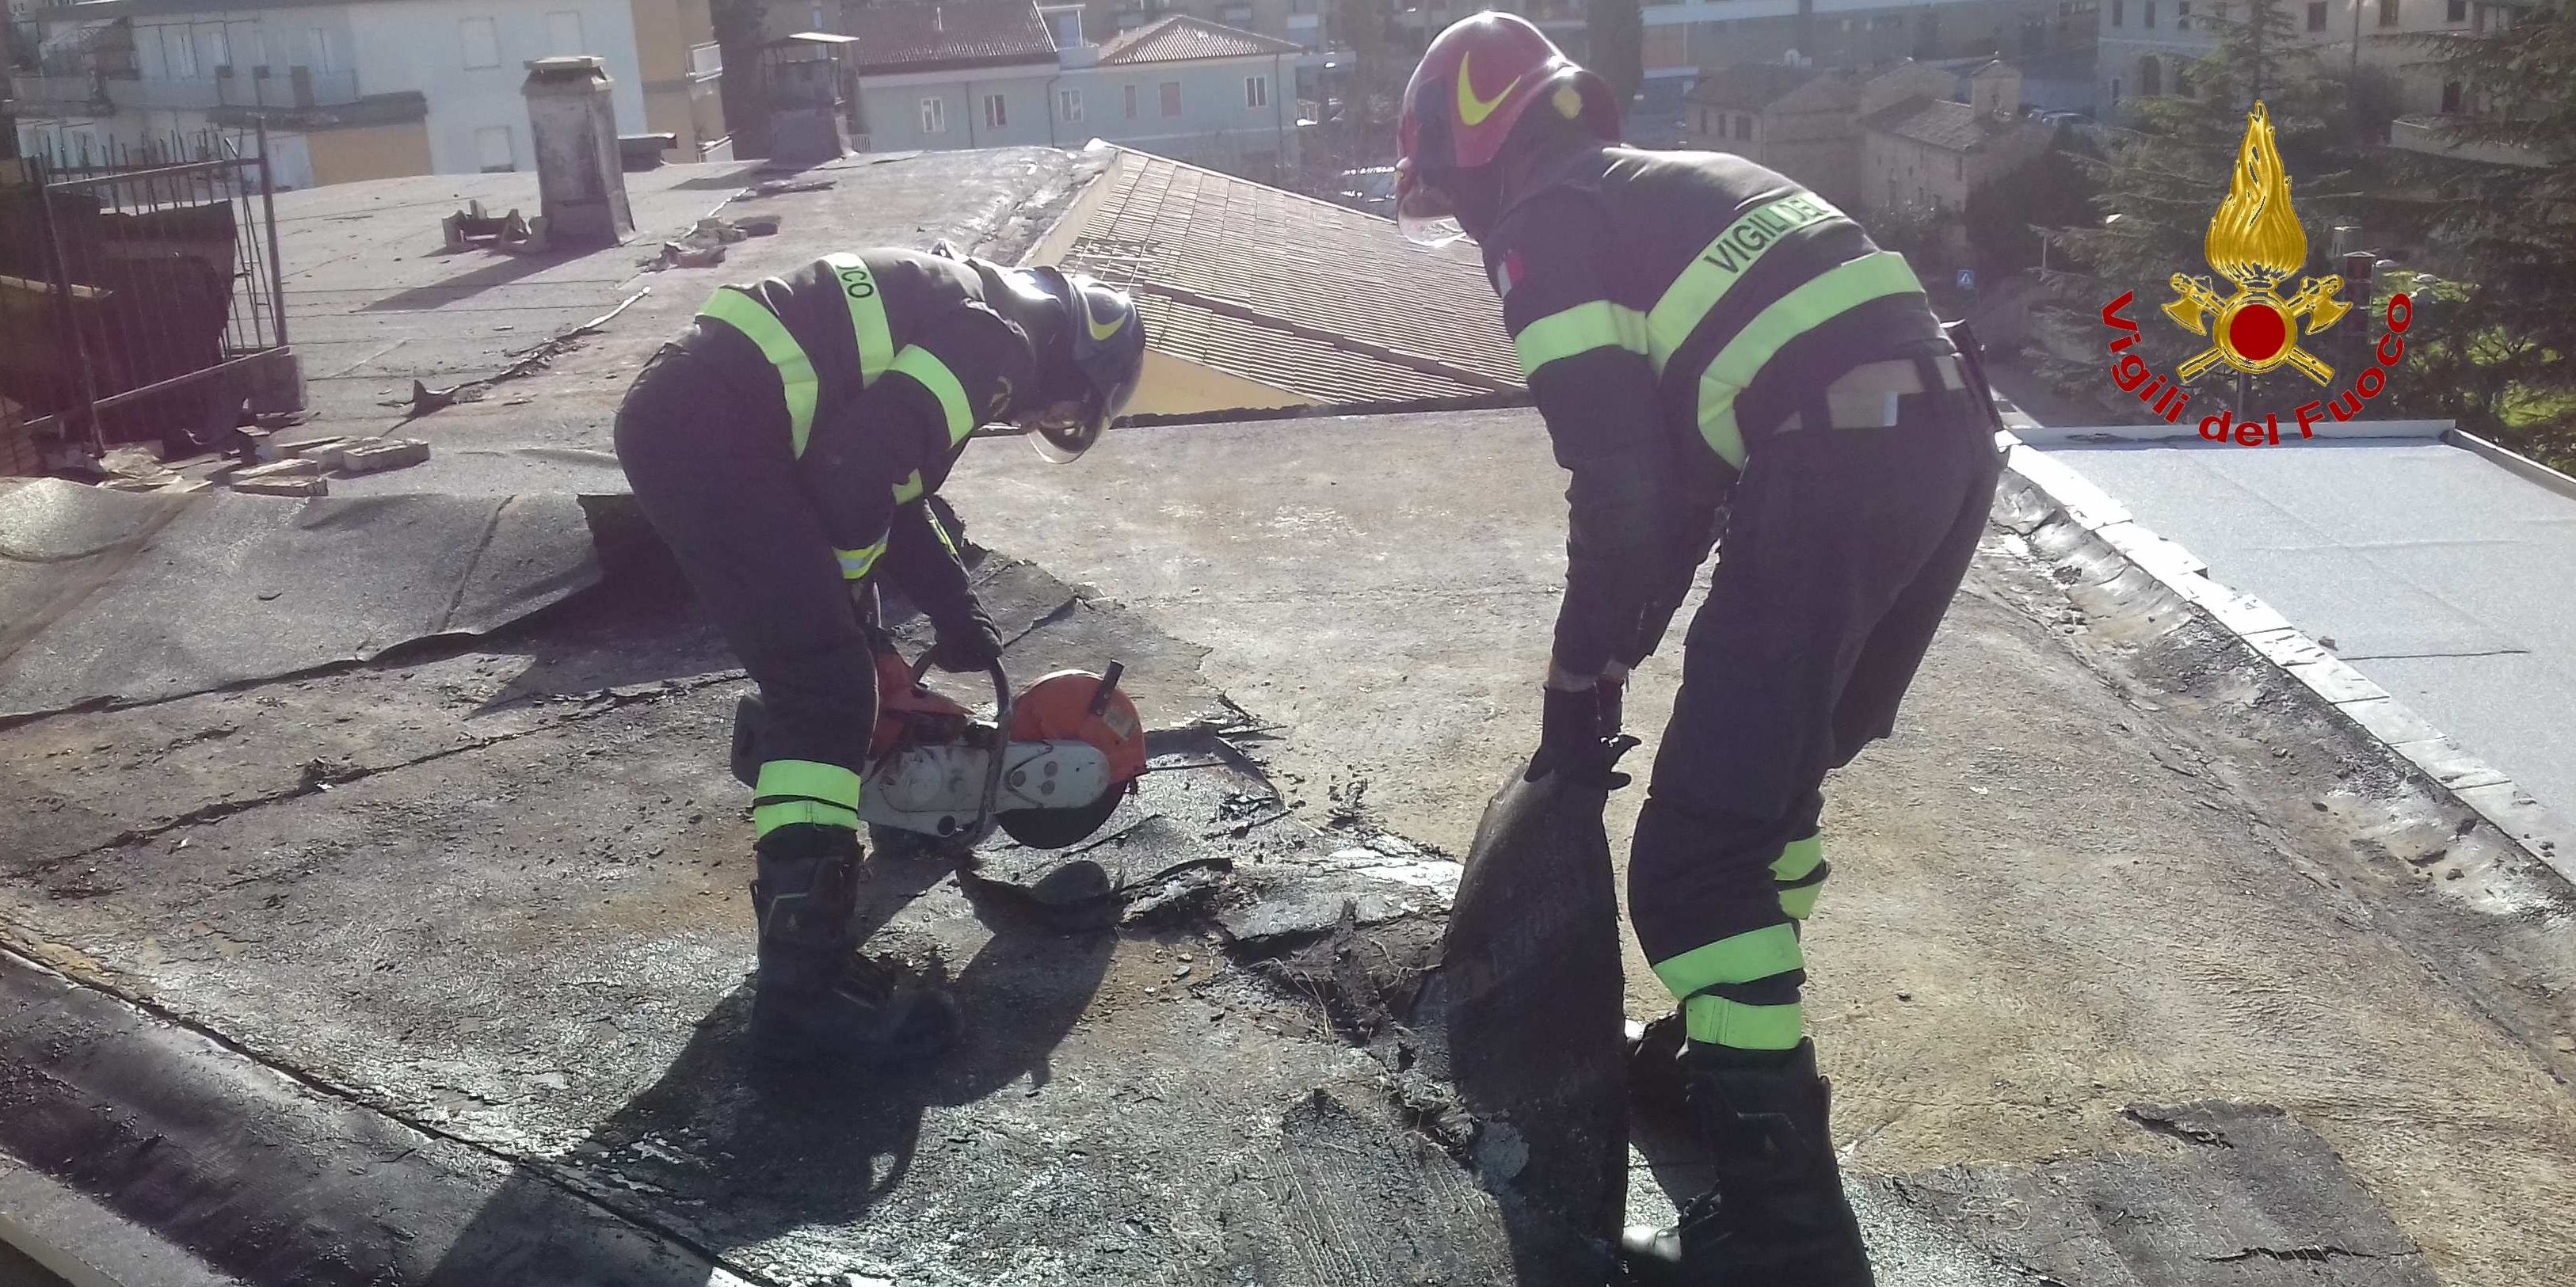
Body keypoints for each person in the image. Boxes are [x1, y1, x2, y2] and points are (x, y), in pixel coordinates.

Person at [1396, 13, 2003, 1284]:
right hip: (1936, 439)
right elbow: (1670, 502)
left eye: (1452, 200)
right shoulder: (1665, 190)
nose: (1466, 230)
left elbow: (1616, 491)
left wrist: (1577, 672)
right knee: (1768, 792)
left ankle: (1789, 1230)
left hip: (1831, 453)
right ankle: (1725, 1053)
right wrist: (1609, 653)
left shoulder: (1546, 226)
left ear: (1476, 158)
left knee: (1693, 864)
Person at [613, 244, 1145, 1064]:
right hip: (715, 429)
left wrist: (950, 604)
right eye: (1064, 406)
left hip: (698, 413)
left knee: (824, 675)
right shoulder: (997, 345)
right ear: (1073, 353)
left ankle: (807, 935)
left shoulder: (963, 301)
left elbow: (894, 484)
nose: (1034, 418)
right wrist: (865, 644)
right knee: (824, 690)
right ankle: (804, 993)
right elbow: (852, 482)